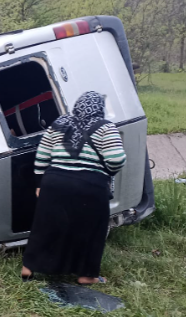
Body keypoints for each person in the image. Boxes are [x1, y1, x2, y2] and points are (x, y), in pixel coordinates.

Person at [21, 91, 127, 285]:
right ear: (100, 109)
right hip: (90, 186)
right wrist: (106, 171)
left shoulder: (58, 123)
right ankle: (87, 275)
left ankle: (28, 268)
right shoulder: (105, 127)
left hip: (55, 182)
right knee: (90, 230)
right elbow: (116, 159)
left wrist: (39, 184)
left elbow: (42, 156)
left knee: (45, 227)